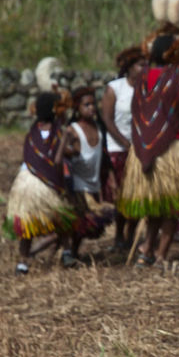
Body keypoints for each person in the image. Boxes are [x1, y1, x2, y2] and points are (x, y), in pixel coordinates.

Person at [118, 22, 179, 268]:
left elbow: (138, 113)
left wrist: (145, 140)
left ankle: (146, 252)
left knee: (153, 205)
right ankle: (161, 254)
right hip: (170, 150)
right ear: (173, 54)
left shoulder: (142, 79)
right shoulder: (176, 80)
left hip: (142, 148)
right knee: (171, 206)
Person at [3, 91, 75, 275]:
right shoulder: (59, 133)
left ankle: (22, 263)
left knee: (27, 225)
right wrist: (60, 184)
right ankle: (66, 253)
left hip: (23, 181)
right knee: (62, 218)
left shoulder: (32, 133)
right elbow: (58, 161)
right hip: (43, 184)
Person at [57, 86, 113, 266]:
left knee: (88, 227)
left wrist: (110, 178)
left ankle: (70, 251)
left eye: (93, 104)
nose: (91, 108)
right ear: (77, 108)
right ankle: (65, 251)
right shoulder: (73, 130)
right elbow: (64, 154)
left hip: (93, 182)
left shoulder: (98, 128)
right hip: (78, 184)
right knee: (83, 222)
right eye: (86, 105)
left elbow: (103, 156)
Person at [100, 46, 147, 251]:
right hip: (117, 149)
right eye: (140, 65)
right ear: (129, 68)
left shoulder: (147, 88)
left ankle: (131, 235)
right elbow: (107, 120)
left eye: (146, 65)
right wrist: (124, 143)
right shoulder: (115, 88)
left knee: (137, 194)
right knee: (122, 196)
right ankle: (119, 235)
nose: (144, 69)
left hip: (139, 149)